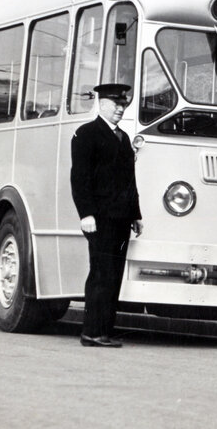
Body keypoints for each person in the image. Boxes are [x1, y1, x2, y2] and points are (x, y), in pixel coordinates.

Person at [70, 83, 143, 348]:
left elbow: (129, 181)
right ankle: (91, 331)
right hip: (99, 218)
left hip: (121, 219)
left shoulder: (123, 138)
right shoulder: (86, 134)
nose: (120, 109)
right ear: (101, 104)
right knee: (101, 274)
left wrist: (136, 215)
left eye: (123, 105)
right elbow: (79, 178)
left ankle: (104, 332)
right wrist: (86, 213)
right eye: (116, 105)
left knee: (113, 274)